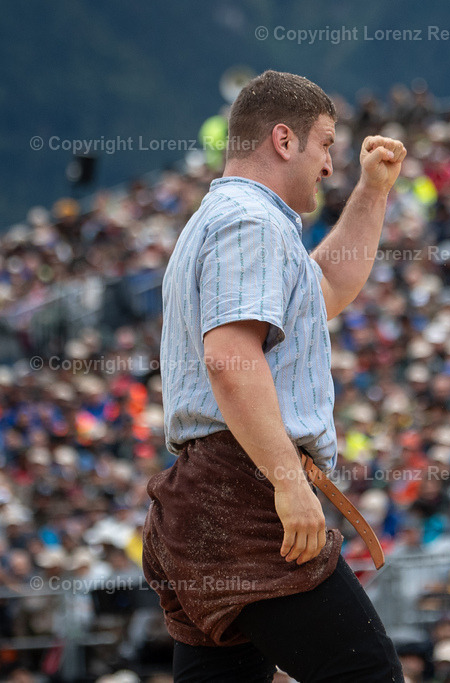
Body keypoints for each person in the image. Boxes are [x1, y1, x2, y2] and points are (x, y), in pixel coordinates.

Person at [142, 70, 406, 681]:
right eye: (325, 145)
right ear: (284, 140)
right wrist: (287, 483)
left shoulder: (233, 219)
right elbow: (231, 357)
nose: (329, 164)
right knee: (365, 673)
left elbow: (331, 286)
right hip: (246, 487)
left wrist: (373, 192)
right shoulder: (250, 222)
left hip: (206, 495)